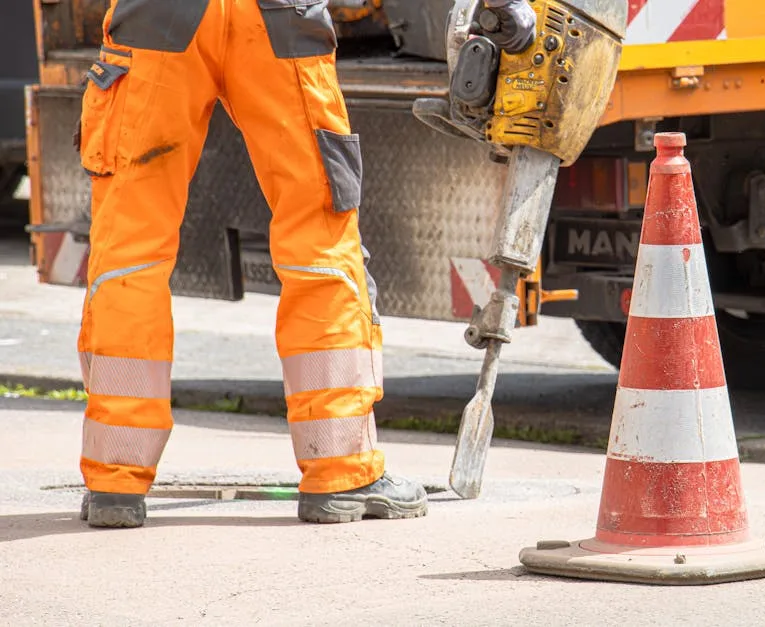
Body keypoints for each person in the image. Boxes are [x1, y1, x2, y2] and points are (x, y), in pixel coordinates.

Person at [72, 0, 536, 528]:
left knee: (129, 253)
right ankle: (341, 473)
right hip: (276, 17)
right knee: (318, 239)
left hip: (157, 18)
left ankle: (115, 479)